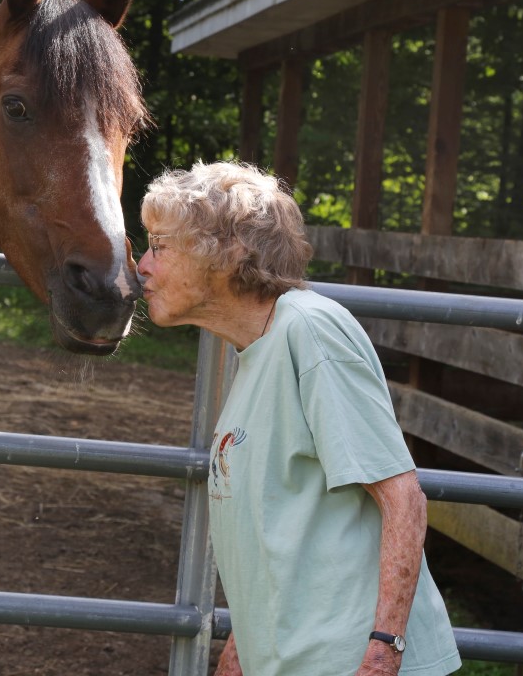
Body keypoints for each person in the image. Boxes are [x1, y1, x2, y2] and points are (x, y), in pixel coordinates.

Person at [137, 161, 462, 676]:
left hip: (349, 662)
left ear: (228, 251)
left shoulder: (310, 331)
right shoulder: (252, 349)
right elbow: (282, 531)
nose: (141, 266)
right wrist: (240, 656)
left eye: (159, 245)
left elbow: (403, 498)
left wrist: (382, 654)